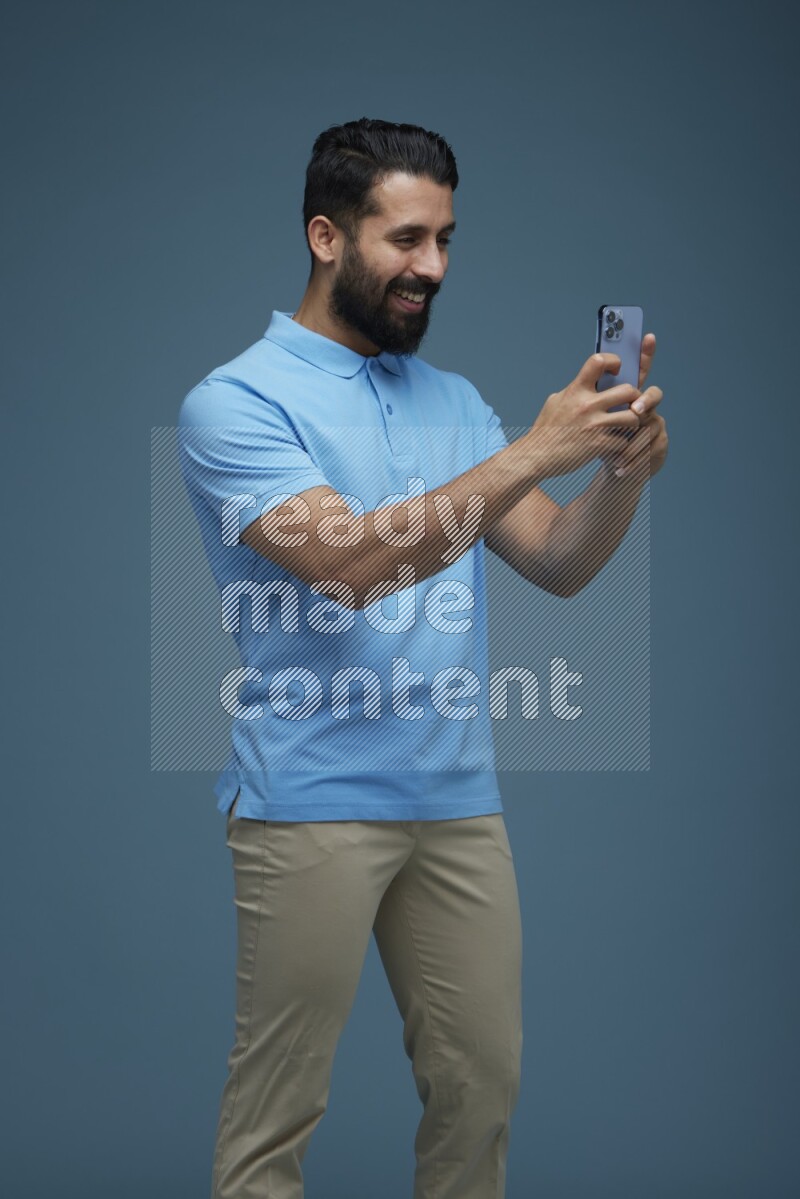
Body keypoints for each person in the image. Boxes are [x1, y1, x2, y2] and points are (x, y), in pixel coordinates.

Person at [177, 117, 668, 1199]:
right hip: (308, 798)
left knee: (480, 1092)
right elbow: (348, 564)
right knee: (275, 1115)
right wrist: (530, 450)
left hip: (456, 801)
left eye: (444, 239)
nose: (432, 267)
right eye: (405, 238)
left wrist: (616, 474)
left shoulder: (451, 401)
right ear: (325, 236)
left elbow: (556, 559)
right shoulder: (236, 402)